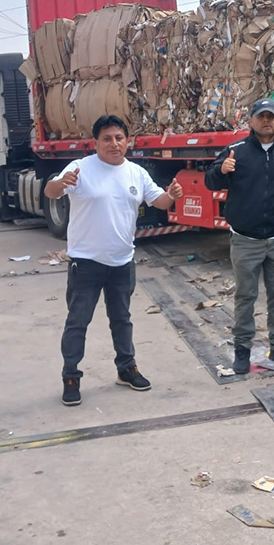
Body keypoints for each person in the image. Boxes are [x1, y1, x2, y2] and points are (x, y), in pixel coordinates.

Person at [45, 115, 183, 406]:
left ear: (127, 141)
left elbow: (158, 200)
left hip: (122, 262)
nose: (114, 143)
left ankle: (126, 368)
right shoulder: (80, 168)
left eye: (119, 138)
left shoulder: (136, 173)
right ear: (95, 142)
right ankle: (71, 376)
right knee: (78, 322)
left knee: (122, 319)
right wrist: (60, 183)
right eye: (107, 138)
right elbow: (50, 191)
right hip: (86, 263)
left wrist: (171, 195)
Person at [205, 98, 274, 374]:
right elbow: (210, 181)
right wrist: (221, 170)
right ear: (251, 121)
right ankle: (242, 348)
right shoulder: (235, 151)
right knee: (245, 295)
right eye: (261, 116)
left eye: (271, 116)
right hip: (245, 239)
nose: (266, 121)